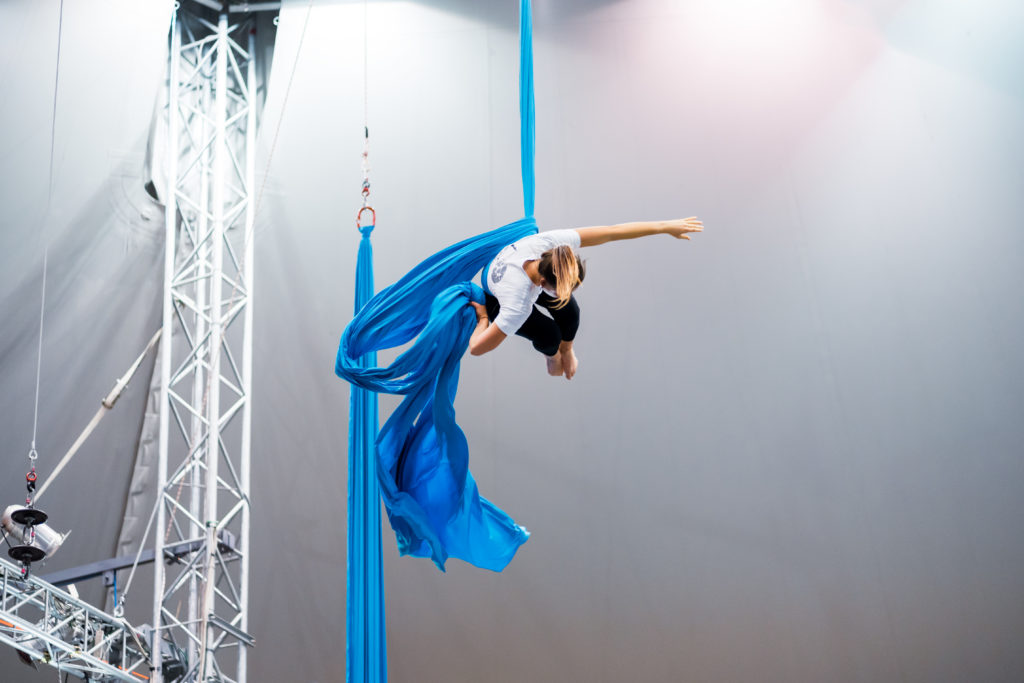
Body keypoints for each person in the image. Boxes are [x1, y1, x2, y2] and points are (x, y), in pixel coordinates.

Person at [468, 217, 703, 379]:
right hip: (497, 297)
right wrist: (483, 318)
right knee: (550, 334)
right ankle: (553, 356)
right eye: (561, 290)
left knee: (571, 312)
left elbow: (612, 232)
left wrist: (664, 227)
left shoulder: (549, 246)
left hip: (525, 274)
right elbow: (477, 348)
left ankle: (567, 349)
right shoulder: (517, 304)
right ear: (543, 284)